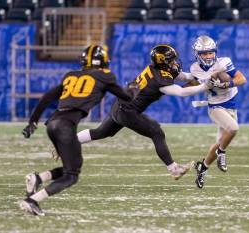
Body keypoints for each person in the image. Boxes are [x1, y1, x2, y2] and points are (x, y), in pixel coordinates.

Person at [19, 45, 133, 216]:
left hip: (52, 124)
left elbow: (47, 97)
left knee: (69, 167)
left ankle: (38, 178)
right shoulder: (104, 76)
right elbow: (126, 97)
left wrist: (32, 122)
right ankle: (33, 200)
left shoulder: (71, 75)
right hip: (66, 126)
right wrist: (132, 90)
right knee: (72, 175)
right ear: (102, 61)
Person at [76, 44, 213, 179]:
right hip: (127, 111)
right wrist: (205, 86)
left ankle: (68, 141)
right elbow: (182, 92)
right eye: (171, 61)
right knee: (156, 132)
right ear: (163, 62)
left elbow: (185, 77)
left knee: (101, 132)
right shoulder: (159, 79)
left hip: (119, 105)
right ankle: (174, 169)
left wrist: (203, 75)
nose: (175, 63)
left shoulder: (157, 68)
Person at [190, 35, 247, 188]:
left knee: (219, 142)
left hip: (231, 105)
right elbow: (194, 84)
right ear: (197, 54)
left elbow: (242, 79)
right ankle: (221, 153)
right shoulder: (194, 68)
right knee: (233, 128)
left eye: (210, 52)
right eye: (204, 53)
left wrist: (226, 84)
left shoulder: (224, 62)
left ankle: (203, 167)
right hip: (215, 106)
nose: (208, 56)